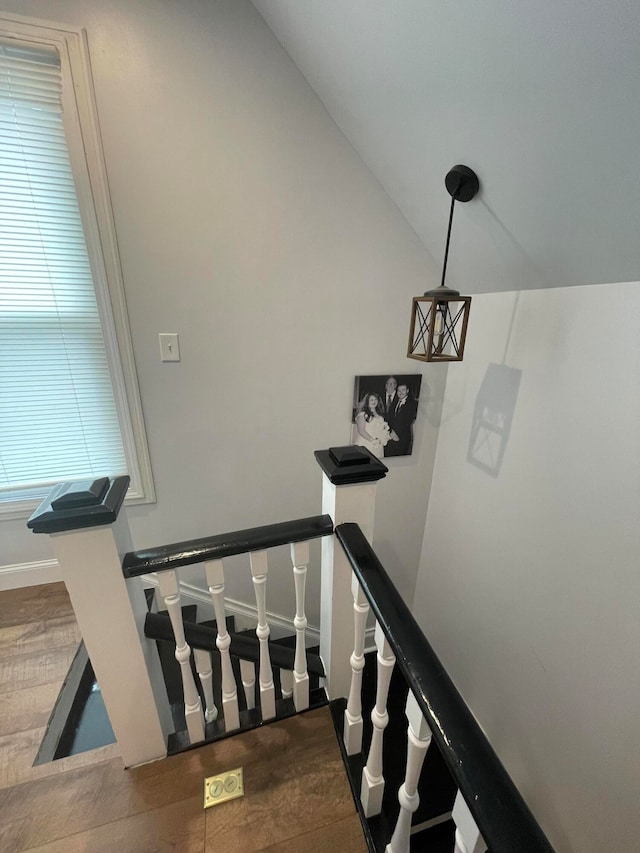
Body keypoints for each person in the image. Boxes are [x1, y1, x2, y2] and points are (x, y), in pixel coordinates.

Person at [353, 391, 391, 459]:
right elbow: (361, 431)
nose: (374, 401)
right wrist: (373, 440)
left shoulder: (380, 414)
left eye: (375, 399)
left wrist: (385, 437)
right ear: (367, 401)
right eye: (371, 400)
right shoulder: (362, 414)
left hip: (378, 444)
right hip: (366, 442)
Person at [385, 383, 417, 456]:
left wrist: (396, 433)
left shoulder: (412, 404)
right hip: (391, 436)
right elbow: (389, 418)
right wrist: (391, 431)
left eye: (403, 390)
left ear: (407, 391)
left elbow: (407, 421)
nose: (401, 392)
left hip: (403, 438)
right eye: (399, 390)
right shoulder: (394, 402)